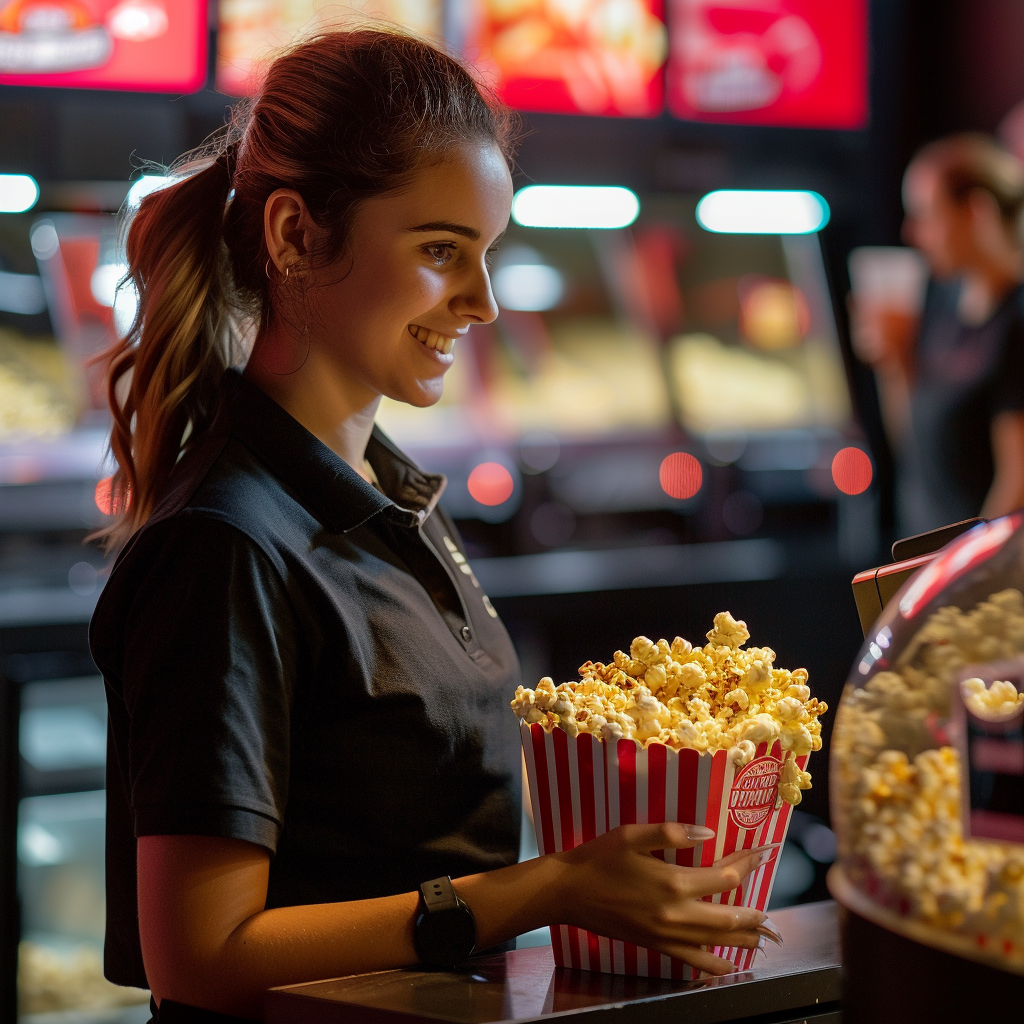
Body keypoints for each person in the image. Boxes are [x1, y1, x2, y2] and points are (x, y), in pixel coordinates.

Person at [88, 29, 776, 1023]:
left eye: (486, 253)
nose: (484, 302)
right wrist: (547, 888)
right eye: (441, 251)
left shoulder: (396, 501)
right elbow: (197, 955)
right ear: (293, 237)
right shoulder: (226, 543)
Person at [851, 133, 1024, 535]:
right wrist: (894, 364)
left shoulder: (1015, 321)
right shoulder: (943, 303)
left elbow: (1016, 486)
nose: (912, 233)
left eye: (926, 215)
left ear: (975, 213)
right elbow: (916, 450)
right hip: (930, 553)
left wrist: (965, 580)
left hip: (975, 576)